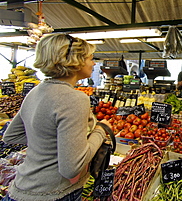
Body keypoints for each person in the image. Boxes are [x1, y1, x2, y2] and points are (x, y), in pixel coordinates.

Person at [2, 33, 111, 201]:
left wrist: (53, 144)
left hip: (19, 189)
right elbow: (71, 168)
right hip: (54, 193)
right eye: (90, 58)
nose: (94, 63)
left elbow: (11, 135)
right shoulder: (75, 98)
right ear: (76, 61)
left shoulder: (35, 91)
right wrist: (101, 130)